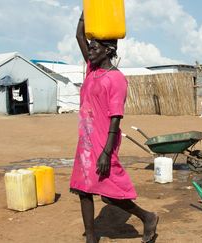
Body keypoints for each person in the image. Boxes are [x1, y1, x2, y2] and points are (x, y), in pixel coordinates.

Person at [69, 13, 158, 243]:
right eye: (89, 48)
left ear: (108, 50)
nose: (89, 51)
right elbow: (79, 34)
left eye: (94, 48)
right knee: (83, 189)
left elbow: (116, 117)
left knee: (110, 193)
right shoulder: (92, 69)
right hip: (86, 139)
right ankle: (91, 237)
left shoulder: (116, 79)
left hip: (104, 140)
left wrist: (107, 152)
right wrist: (86, 11)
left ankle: (147, 217)